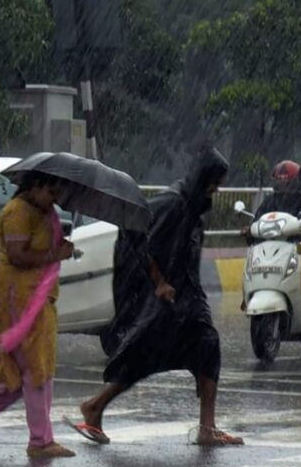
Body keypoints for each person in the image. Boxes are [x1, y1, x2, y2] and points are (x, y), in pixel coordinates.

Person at [70, 147, 244, 447]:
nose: (216, 189)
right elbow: (139, 237)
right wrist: (159, 282)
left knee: (207, 347)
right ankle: (95, 406)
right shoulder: (173, 203)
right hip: (168, 300)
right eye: (214, 181)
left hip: (187, 298)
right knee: (145, 357)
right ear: (203, 177)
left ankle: (207, 427)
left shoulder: (193, 206)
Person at [0, 172, 77, 459]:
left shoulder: (40, 211)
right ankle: (40, 441)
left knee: (32, 369)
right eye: (51, 192)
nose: (54, 200)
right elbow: (18, 255)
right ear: (34, 187)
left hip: (38, 295)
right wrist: (55, 255)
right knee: (35, 368)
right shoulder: (16, 212)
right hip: (18, 296)